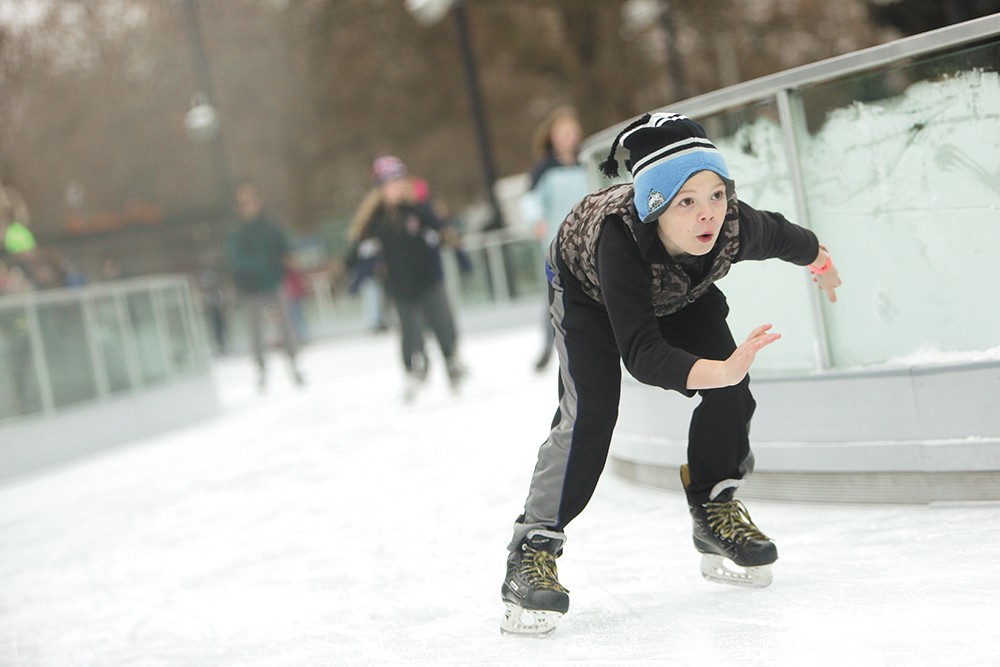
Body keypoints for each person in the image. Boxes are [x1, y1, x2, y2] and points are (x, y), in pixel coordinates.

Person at [500, 112, 842, 637]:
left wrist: (820, 260)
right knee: (591, 413)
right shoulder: (620, 237)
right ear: (656, 205)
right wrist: (719, 368)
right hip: (587, 291)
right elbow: (641, 353)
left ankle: (714, 508)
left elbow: (784, 236)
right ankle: (534, 546)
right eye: (686, 201)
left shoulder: (732, 225)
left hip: (682, 290)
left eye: (716, 195)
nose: (708, 214)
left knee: (730, 392)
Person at [345, 155, 466, 402]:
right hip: (400, 285)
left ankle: (451, 360)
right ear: (380, 189)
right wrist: (355, 277)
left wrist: (459, 254)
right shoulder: (376, 222)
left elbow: (443, 232)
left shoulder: (419, 211)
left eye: (399, 182)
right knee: (409, 330)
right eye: (390, 184)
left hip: (429, 279)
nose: (396, 188)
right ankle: (414, 367)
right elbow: (360, 253)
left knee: (442, 321)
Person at [520, 107, 591, 372]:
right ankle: (549, 346)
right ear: (552, 136)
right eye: (562, 132)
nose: (568, 137)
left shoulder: (585, 163)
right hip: (555, 244)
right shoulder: (544, 170)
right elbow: (530, 201)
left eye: (572, 131)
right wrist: (536, 220)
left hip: (587, 241)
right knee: (556, 295)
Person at [226, 179, 304, 391]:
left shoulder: (271, 227)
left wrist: (280, 261)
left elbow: (286, 249)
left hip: (273, 282)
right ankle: (260, 369)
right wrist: (263, 262)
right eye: (242, 203)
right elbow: (236, 261)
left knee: (285, 324)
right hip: (250, 288)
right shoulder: (237, 233)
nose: (248, 206)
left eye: (250, 201)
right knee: (255, 331)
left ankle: (293, 363)